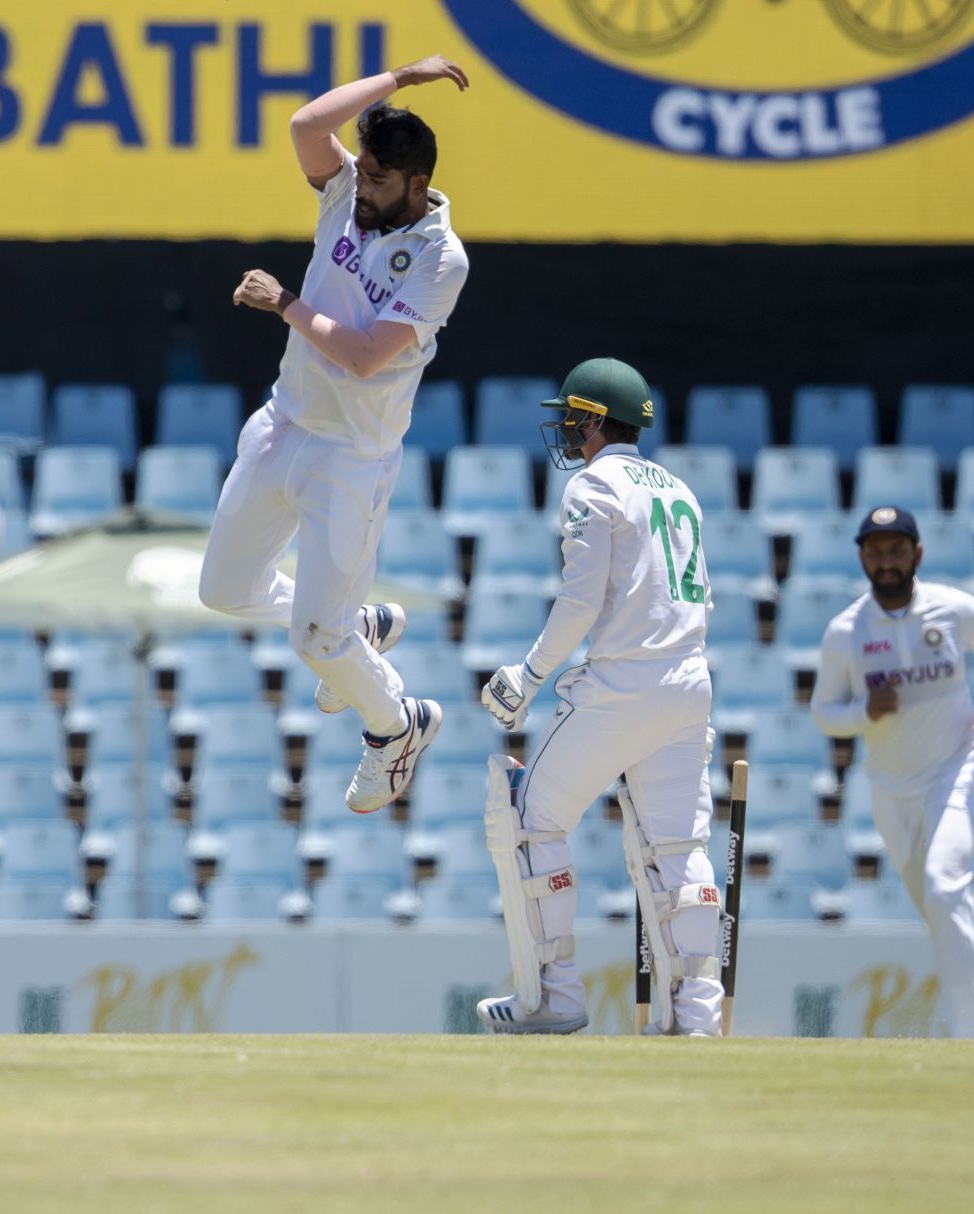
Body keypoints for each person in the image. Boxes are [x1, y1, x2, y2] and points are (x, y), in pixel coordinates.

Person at [199, 54, 471, 814]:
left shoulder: (443, 259)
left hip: (352, 458)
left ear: (417, 187)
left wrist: (283, 301)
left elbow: (360, 358)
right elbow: (306, 124)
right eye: (365, 174)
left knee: (316, 643)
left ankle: (397, 724)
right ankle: (362, 624)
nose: (362, 193)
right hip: (283, 422)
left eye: (380, 182)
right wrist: (399, 81)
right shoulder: (349, 191)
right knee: (224, 592)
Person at [472, 358, 722, 1036]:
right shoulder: (680, 488)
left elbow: (582, 600)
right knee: (678, 848)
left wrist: (526, 676)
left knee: (527, 819)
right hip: (688, 684)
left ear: (590, 419)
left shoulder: (593, 485)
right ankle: (695, 1020)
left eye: (572, 418)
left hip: (619, 686)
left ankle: (555, 996)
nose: (567, 431)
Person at [810, 505, 974, 1038]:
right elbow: (823, 713)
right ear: (861, 557)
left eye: (896, 550)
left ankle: (964, 1035)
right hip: (889, 789)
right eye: (875, 551)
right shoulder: (845, 632)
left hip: (957, 768)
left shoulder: (949, 609)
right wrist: (863, 712)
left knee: (946, 890)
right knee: (939, 907)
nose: (886, 562)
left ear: (917, 554)